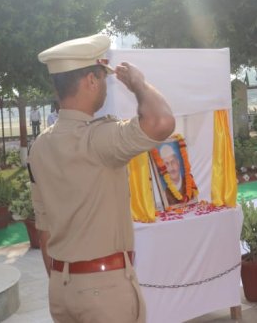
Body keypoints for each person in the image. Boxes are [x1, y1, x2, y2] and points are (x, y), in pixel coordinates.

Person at [28, 33, 175, 322]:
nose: (106, 87)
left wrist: (64, 281)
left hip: (61, 286)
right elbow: (161, 122)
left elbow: (44, 227)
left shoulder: (40, 146)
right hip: (103, 289)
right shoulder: (98, 138)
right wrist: (138, 84)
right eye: (103, 78)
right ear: (91, 81)